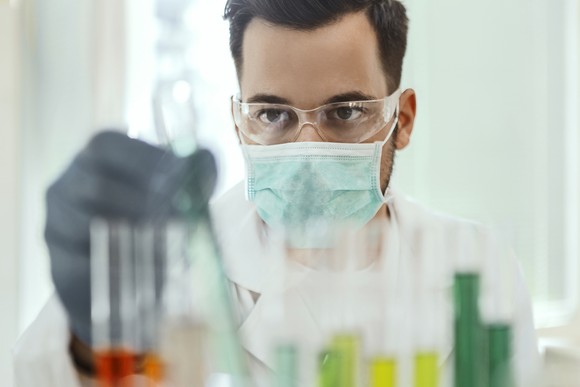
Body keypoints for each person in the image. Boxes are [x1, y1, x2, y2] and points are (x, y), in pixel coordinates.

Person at [13, 0, 542, 386]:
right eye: (273, 114)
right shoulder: (177, 262)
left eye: (344, 113)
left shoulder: (479, 265)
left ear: (400, 120)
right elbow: (39, 374)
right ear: (239, 122)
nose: (307, 147)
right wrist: (87, 338)